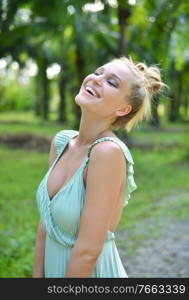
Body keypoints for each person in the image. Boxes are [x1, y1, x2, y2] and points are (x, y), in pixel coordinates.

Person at [32, 56, 165, 278]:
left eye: (112, 82)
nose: (95, 79)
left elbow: (88, 252)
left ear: (123, 109)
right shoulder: (62, 142)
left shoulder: (107, 153)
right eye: (97, 72)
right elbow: (47, 222)